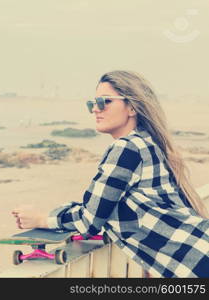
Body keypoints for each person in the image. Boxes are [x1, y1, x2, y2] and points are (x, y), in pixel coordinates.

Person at [12, 70, 209, 278]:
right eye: (92, 104)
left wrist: (42, 220)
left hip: (196, 264)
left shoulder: (127, 149)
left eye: (104, 102)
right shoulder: (146, 142)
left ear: (132, 107)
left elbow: (89, 221)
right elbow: (101, 208)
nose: (95, 109)